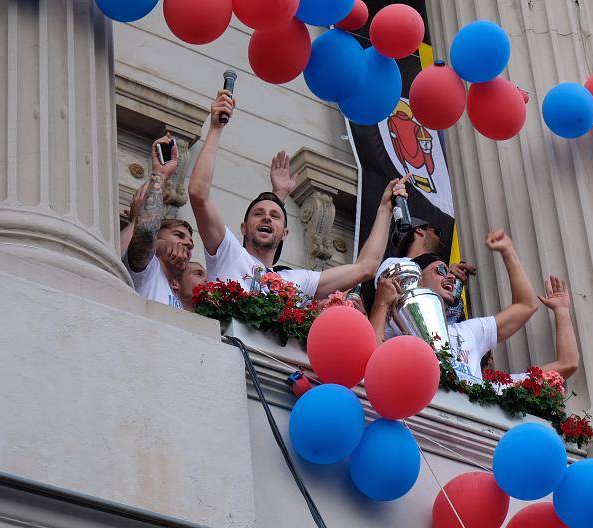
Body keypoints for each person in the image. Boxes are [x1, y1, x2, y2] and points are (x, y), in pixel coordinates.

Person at [187, 90, 408, 298]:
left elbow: (366, 267)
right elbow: (198, 193)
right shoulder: (228, 253)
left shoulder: (296, 282)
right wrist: (215, 128)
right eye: (258, 214)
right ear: (243, 228)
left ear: (285, 234)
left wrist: (384, 209)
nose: (266, 218)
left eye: (274, 216)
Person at [370, 230, 536, 383]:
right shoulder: (397, 326)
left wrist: (508, 251)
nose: (450, 277)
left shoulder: (468, 332)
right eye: (441, 271)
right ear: (418, 279)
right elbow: (372, 365)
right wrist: (381, 303)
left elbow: (526, 305)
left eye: (451, 274)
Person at [123, 135, 195, 309]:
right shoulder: (148, 271)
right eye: (179, 235)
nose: (187, 243)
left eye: (191, 244)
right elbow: (146, 233)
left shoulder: (178, 294)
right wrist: (161, 174)